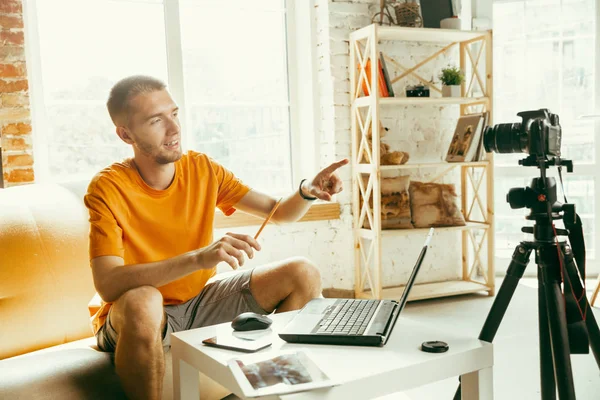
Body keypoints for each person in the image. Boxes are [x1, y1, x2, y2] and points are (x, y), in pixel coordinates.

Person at [84, 75, 348, 400]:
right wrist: (199, 258)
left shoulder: (202, 168)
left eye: (174, 114)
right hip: (132, 315)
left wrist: (308, 191)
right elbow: (108, 284)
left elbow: (278, 212)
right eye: (156, 120)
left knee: (302, 272)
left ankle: (270, 393)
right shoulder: (107, 187)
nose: (174, 128)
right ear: (126, 134)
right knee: (144, 300)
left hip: (197, 304)